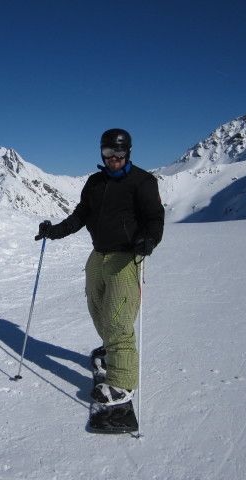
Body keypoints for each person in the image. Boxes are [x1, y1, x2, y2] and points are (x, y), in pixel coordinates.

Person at [36, 128, 165, 410]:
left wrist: (149, 239)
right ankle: (109, 354)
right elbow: (81, 215)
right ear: (102, 153)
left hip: (125, 258)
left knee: (118, 320)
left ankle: (123, 383)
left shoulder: (142, 182)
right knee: (97, 310)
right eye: (108, 153)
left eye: (119, 153)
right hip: (98, 255)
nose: (113, 158)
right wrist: (54, 231)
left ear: (128, 152)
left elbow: (155, 218)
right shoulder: (95, 182)